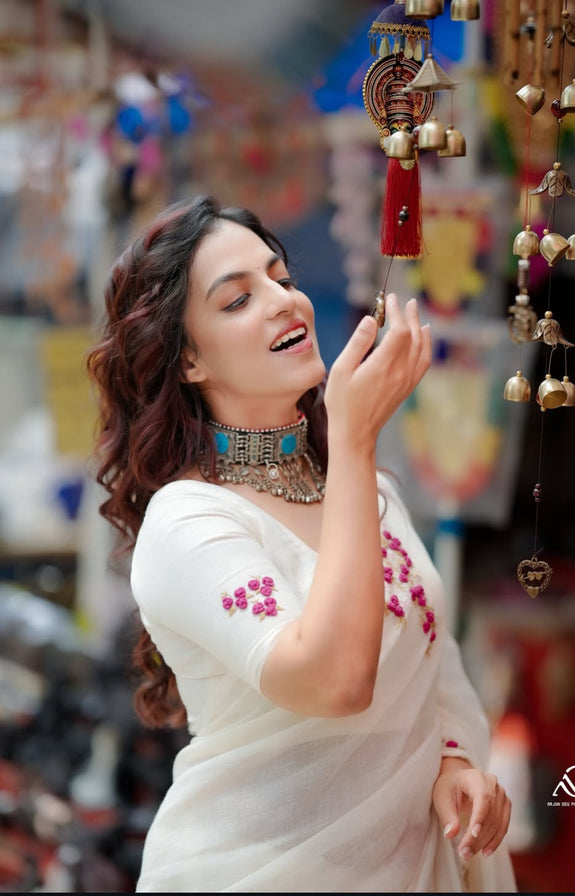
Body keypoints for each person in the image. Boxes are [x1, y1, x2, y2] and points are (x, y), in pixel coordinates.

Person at [86, 194, 517, 893]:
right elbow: (334, 681)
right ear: (189, 359)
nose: (285, 302)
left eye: (281, 279)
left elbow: (435, 676)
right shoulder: (188, 520)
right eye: (236, 301)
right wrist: (351, 438)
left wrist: (451, 766)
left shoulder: (370, 493)